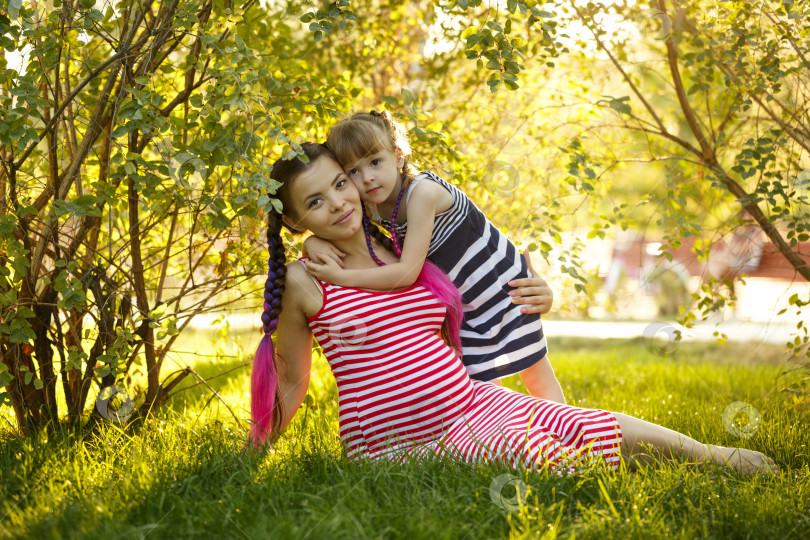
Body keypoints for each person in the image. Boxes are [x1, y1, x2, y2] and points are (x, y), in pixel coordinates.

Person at [249, 142, 778, 477]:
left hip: (469, 403)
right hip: (399, 443)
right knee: (542, 457)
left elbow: (487, 256)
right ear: (296, 223)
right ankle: (621, 472)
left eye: (340, 183)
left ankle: (712, 455)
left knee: (579, 423)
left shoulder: (405, 244)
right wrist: (257, 449)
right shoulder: (306, 278)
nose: (339, 201)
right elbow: (294, 381)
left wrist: (539, 286)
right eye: (315, 201)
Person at [303, 111, 565, 403]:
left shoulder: (423, 194)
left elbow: (406, 273)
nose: (367, 178)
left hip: (502, 287)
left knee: (534, 370)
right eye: (354, 171)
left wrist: (342, 278)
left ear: (398, 156)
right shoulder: (373, 204)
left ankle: (568, 430)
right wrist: (312, 242)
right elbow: (337, 225)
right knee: (483, 382)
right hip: (465, 301)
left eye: (375, 162)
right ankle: (504, 436)